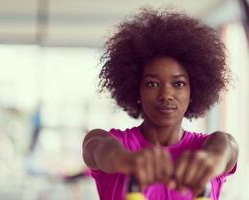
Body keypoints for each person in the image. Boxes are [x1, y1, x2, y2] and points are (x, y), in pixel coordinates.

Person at [82, 8, 238, 200]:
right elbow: (95, 146)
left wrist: (214, 158)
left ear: (193, 92)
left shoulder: (205, 149)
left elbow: (227, 145)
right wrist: (126, 160)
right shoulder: (118, 145)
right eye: (152, 84)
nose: (166, 95)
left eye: (178, 84)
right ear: (136, 90)